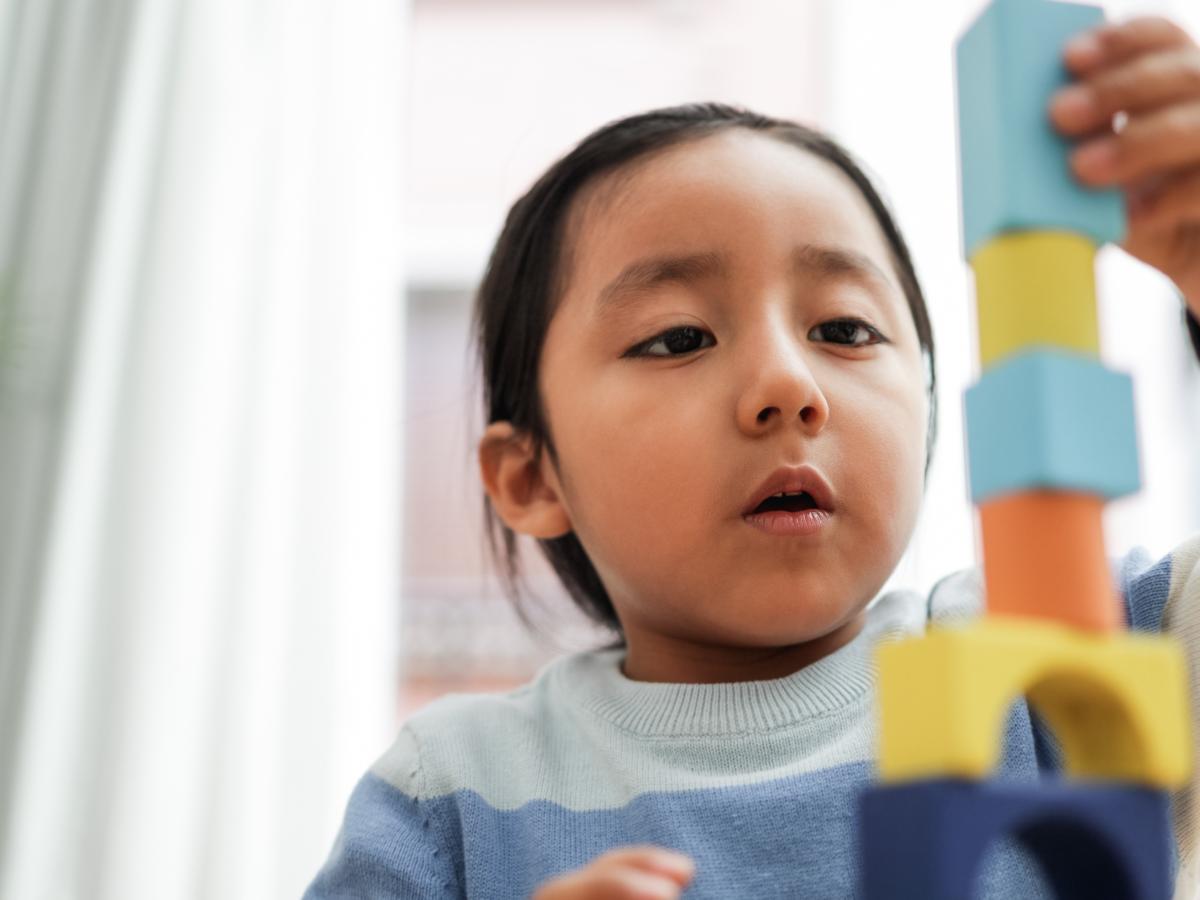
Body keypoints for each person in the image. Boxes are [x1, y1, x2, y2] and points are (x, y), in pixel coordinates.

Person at [304, 15, 1200, 899]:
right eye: (679, 337)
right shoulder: (452, 796)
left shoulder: (1071, 652)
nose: (787, 383)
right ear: (532, 477)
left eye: (844, 329)